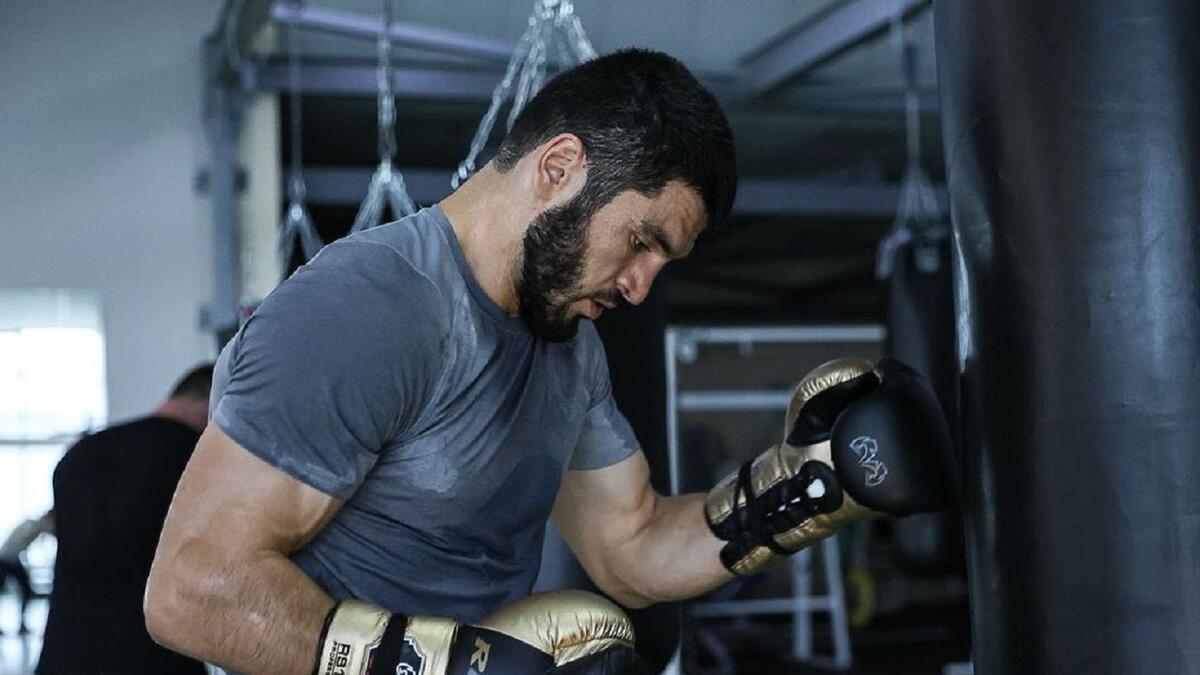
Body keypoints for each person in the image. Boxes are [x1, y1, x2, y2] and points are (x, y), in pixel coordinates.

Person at [145, 49, 951, 675]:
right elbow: (191, 586)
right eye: (640, 242)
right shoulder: (371, 304)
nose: (640, 286)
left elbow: (629, 546)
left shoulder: (568, 345)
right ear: (558, 168)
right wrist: (451, 667)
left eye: (662, 263)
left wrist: (798, 490)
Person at [37, 364, 214, 675]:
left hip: (65, 654)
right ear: (211, 402)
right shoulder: (194, 458)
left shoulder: (81, 453)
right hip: (155, 658)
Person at [0, 510, 53, 635]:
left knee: (26, 591)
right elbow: (23, 539)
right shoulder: (32, 526)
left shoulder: (35, 527)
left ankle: (22, 624)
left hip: (12, 559)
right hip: (6, 559)